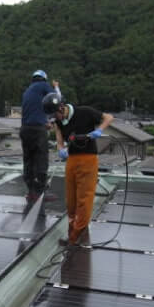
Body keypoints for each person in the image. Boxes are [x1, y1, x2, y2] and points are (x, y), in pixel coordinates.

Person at [42, 92, 114, 245]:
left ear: (61, 107)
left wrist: (99, 130)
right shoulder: (59, 122)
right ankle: (71, 233)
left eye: (55, 114)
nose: (54, 118)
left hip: (88, 159)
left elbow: (108, 117)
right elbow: (60, 140)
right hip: (72, 161)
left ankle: (77, 236)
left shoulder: (85, 112)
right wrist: (60, 149)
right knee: (71, 201)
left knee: (84, 199)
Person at [20, 70, 61, 202]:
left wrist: (45, 121)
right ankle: (41, 192)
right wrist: (56, 87)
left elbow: (35, 109)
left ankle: (31, 192)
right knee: (41, 160)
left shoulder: (27, 91)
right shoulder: (43, 86)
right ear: (44, 79)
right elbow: (56, 100)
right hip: (38, 131)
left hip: (25, 129)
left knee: (29, 161)